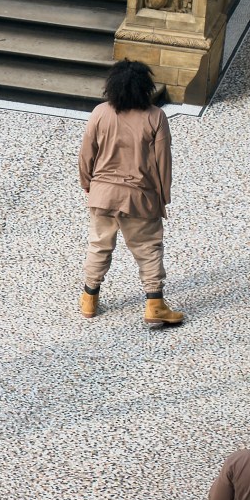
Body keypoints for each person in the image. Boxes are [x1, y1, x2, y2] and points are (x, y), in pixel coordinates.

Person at [78, 59, 183, 326]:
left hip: (102, 193)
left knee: (99, 245)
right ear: (145, 87)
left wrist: (88, 184)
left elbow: (86, 153)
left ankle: (89, 298)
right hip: (139, 196)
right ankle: (155, 304)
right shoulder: (155, 117)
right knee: (148, 248)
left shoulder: (101, 112)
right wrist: (162, 197)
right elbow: (163, 162)